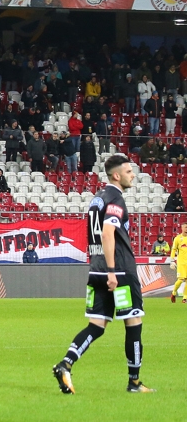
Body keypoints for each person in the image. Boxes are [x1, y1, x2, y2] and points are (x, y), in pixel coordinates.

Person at [52, 154, 153, 395]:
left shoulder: (97, 199)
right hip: (117, 271)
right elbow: (108, 233)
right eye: (129, 172)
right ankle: (134, 382)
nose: (133, 175)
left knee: (97, 325)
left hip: (95, 269)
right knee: (134, 323)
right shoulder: (115, 199)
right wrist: (111, 271)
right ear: (116, 175)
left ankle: (65, 364)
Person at [169, 223, 187, 303]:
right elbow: (173, 250)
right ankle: (173, 292)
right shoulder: (178, 238)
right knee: (180, 280)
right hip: (181, 263)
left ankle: (185, 298)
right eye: (186, 227)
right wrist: (172, 260)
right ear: (182, 228)